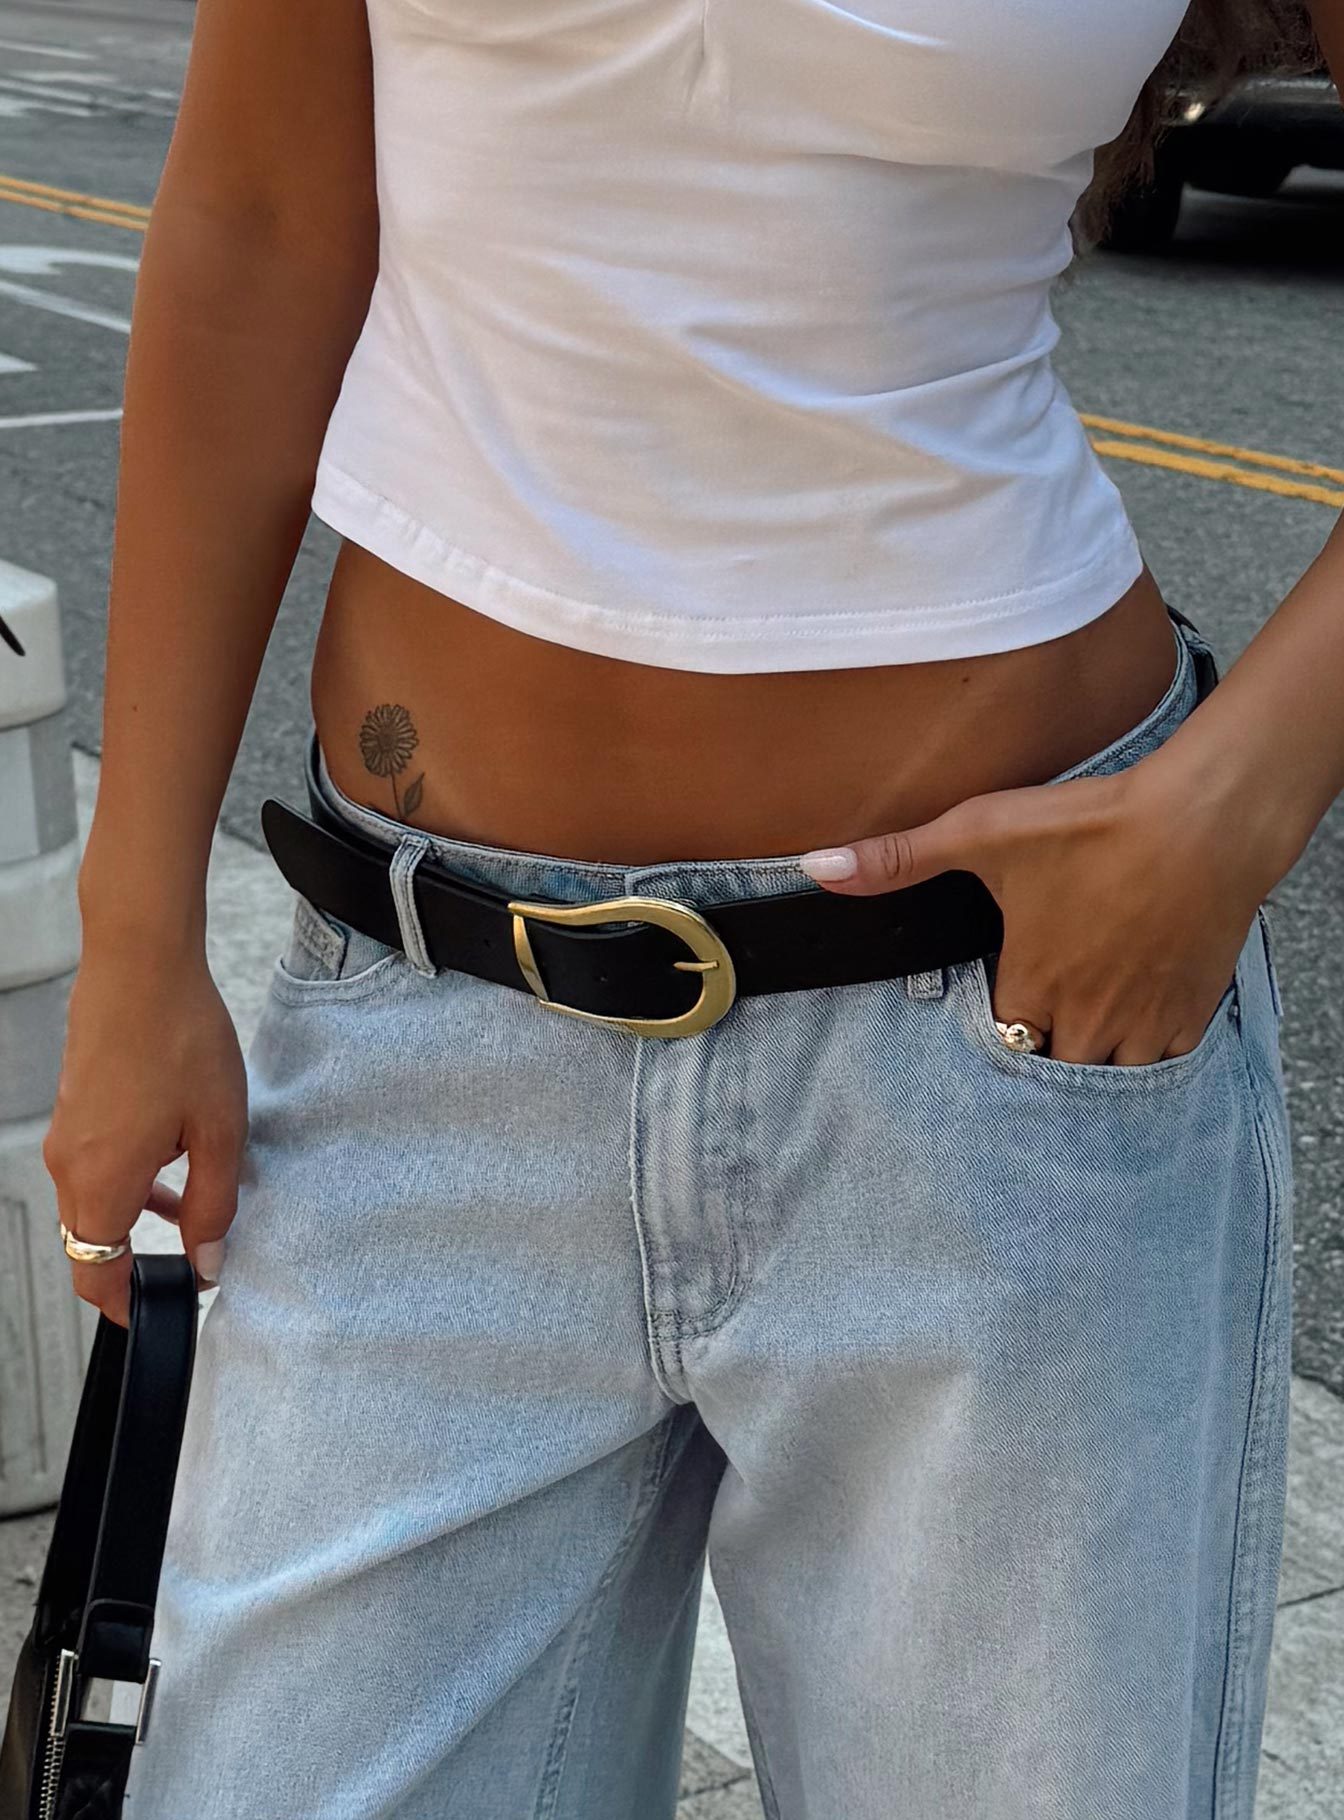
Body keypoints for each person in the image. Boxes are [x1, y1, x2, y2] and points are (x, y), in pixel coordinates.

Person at [42, 0, 1336, 1815]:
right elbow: (257, 228)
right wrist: (136, 931)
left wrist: (1234, 808)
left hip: (1005, 1050)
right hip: (429, 1018)